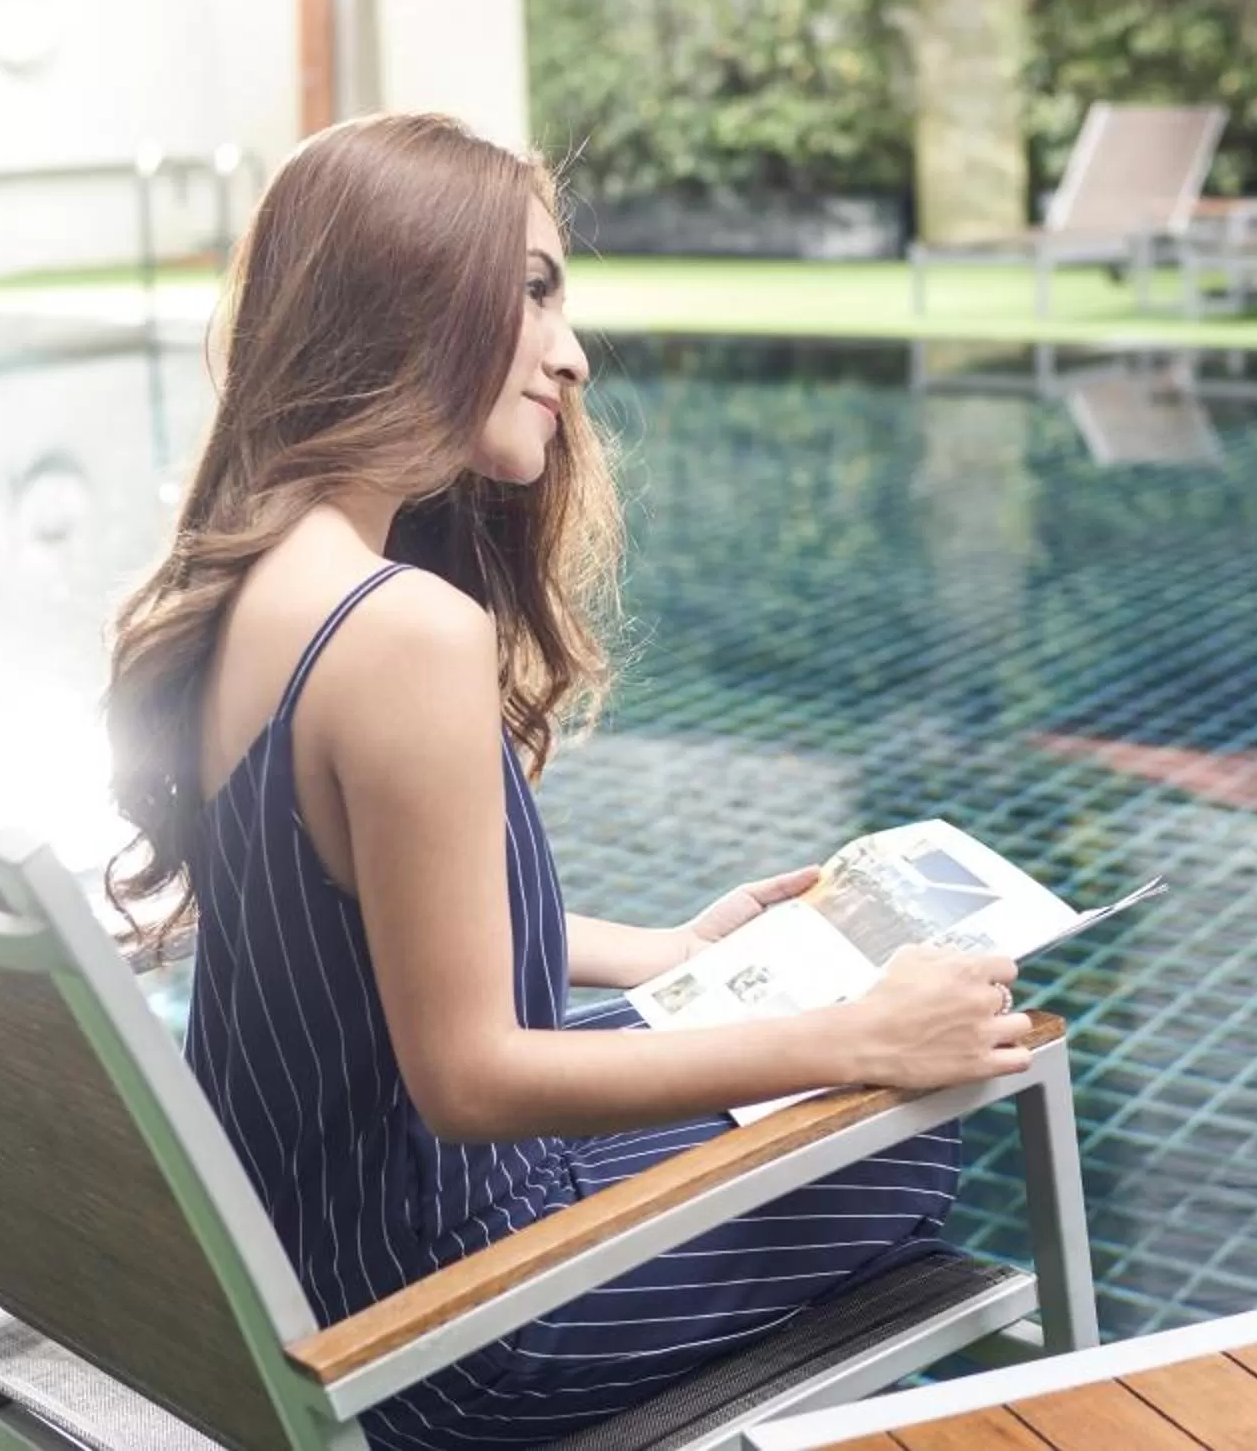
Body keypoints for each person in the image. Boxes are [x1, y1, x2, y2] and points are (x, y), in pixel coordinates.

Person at [102, 112, 1035, 1448]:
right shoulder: (399, 630)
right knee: (903, 1130)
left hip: (298, 1247)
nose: (572, 355)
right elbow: (469, 1078)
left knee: (762, 1076)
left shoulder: (257, 579)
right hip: (436, 1331)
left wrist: (668, 951)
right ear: (414, 300)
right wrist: (862, 1040)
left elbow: (373, 925)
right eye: (534, 293)